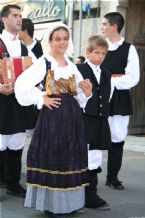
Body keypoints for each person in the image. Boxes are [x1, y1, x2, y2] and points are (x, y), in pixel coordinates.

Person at [15, 23, 92, 215]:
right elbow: (21, 86)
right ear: (50, 41)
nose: (62, 42)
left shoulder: (72, 64)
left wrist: (87, 92)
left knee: (69, 158)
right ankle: (53, 205)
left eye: (65, 38)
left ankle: (70, 204)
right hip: (53, 119)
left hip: (72, 118)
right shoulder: (44, 62)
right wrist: (41, 98)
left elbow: (79, 96)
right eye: (58, 39)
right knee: (55, 158)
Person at [0, 4, 37, 198]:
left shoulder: (25, 46)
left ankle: (13, 183)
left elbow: (33, 73)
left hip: (19, 100)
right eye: (15, 15)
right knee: (1, 141)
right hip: (1, 100)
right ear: (4, 19)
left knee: (17, 142)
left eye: (20, 16)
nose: (19, 19)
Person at [101, 12, 140, 190]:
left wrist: (111, 81)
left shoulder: (128, 48)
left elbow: (133, 78)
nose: (102, 28)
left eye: (104, 24)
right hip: (99, 96)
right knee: (93, 135)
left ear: (114, 27)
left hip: (119, 98)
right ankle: (88, 175)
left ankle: (112, 178)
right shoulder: (99, 46)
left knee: (117, 138)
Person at [77, 35, 111, 210]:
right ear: (88, 53)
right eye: (96, 53)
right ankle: (80, 196)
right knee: (84, 157)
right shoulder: (79, 69)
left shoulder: (106, 73)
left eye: (103, 54)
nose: (100, 57)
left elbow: (107, 96)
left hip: (100, 120)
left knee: (96, 157)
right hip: (85, 119)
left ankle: (91, 195)